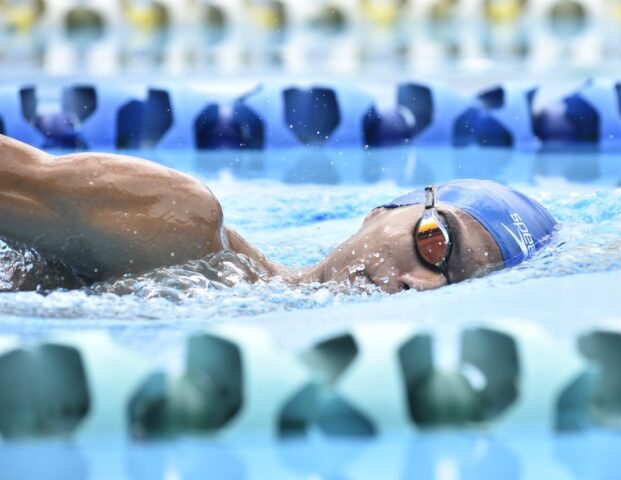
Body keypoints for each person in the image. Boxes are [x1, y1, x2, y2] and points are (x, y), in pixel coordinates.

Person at [0, 134, 557, 293]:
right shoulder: (172, 220)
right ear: (380, 213)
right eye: (436, 243)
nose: (418, 282)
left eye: (447, 282)